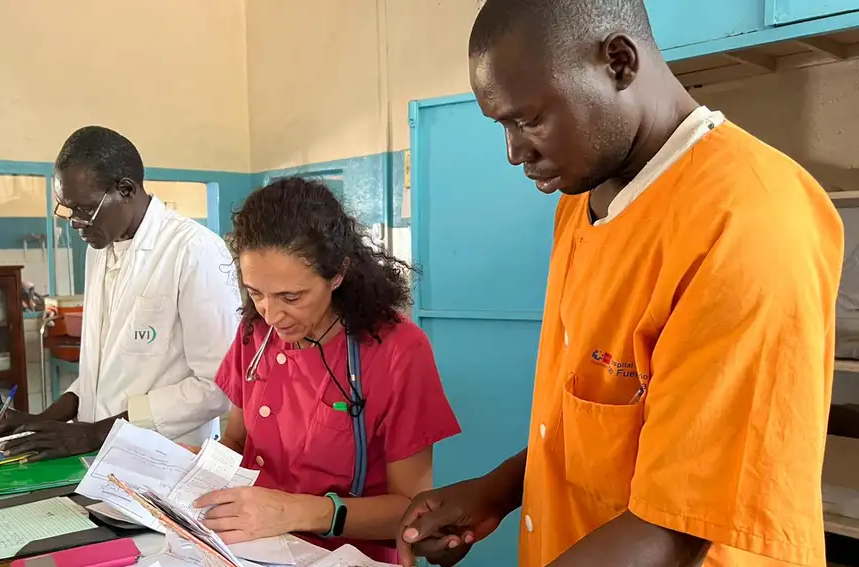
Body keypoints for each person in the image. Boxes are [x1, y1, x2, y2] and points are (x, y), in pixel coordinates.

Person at [397, 2, 843, 567]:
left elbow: (679, 528)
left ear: (618, 62)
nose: (514, 152)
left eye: (528, 119)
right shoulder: (585, 198)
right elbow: (592, 422)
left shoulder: (749, 220)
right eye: (502, 125)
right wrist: (499, 490)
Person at [190, 177, 461, 563]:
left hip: (349, 555)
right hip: (252, 549)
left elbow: (410, 508)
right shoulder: (256, 333)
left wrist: (295, 511)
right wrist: (196, 469)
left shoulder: (399, 351)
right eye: (255, 292)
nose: (272, 313)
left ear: (337, 274)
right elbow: (236, 442)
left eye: (292, 297)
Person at [0, 126, 241, 460]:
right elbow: (98, 371)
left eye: (85, 209)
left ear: (125, 189)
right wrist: (39, 422)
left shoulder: (194, 251)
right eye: (67, 209)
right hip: (98, 455)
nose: (75, 223)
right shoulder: (100, 247)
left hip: (164, 457)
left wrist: (93, 433)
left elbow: (218, 386)